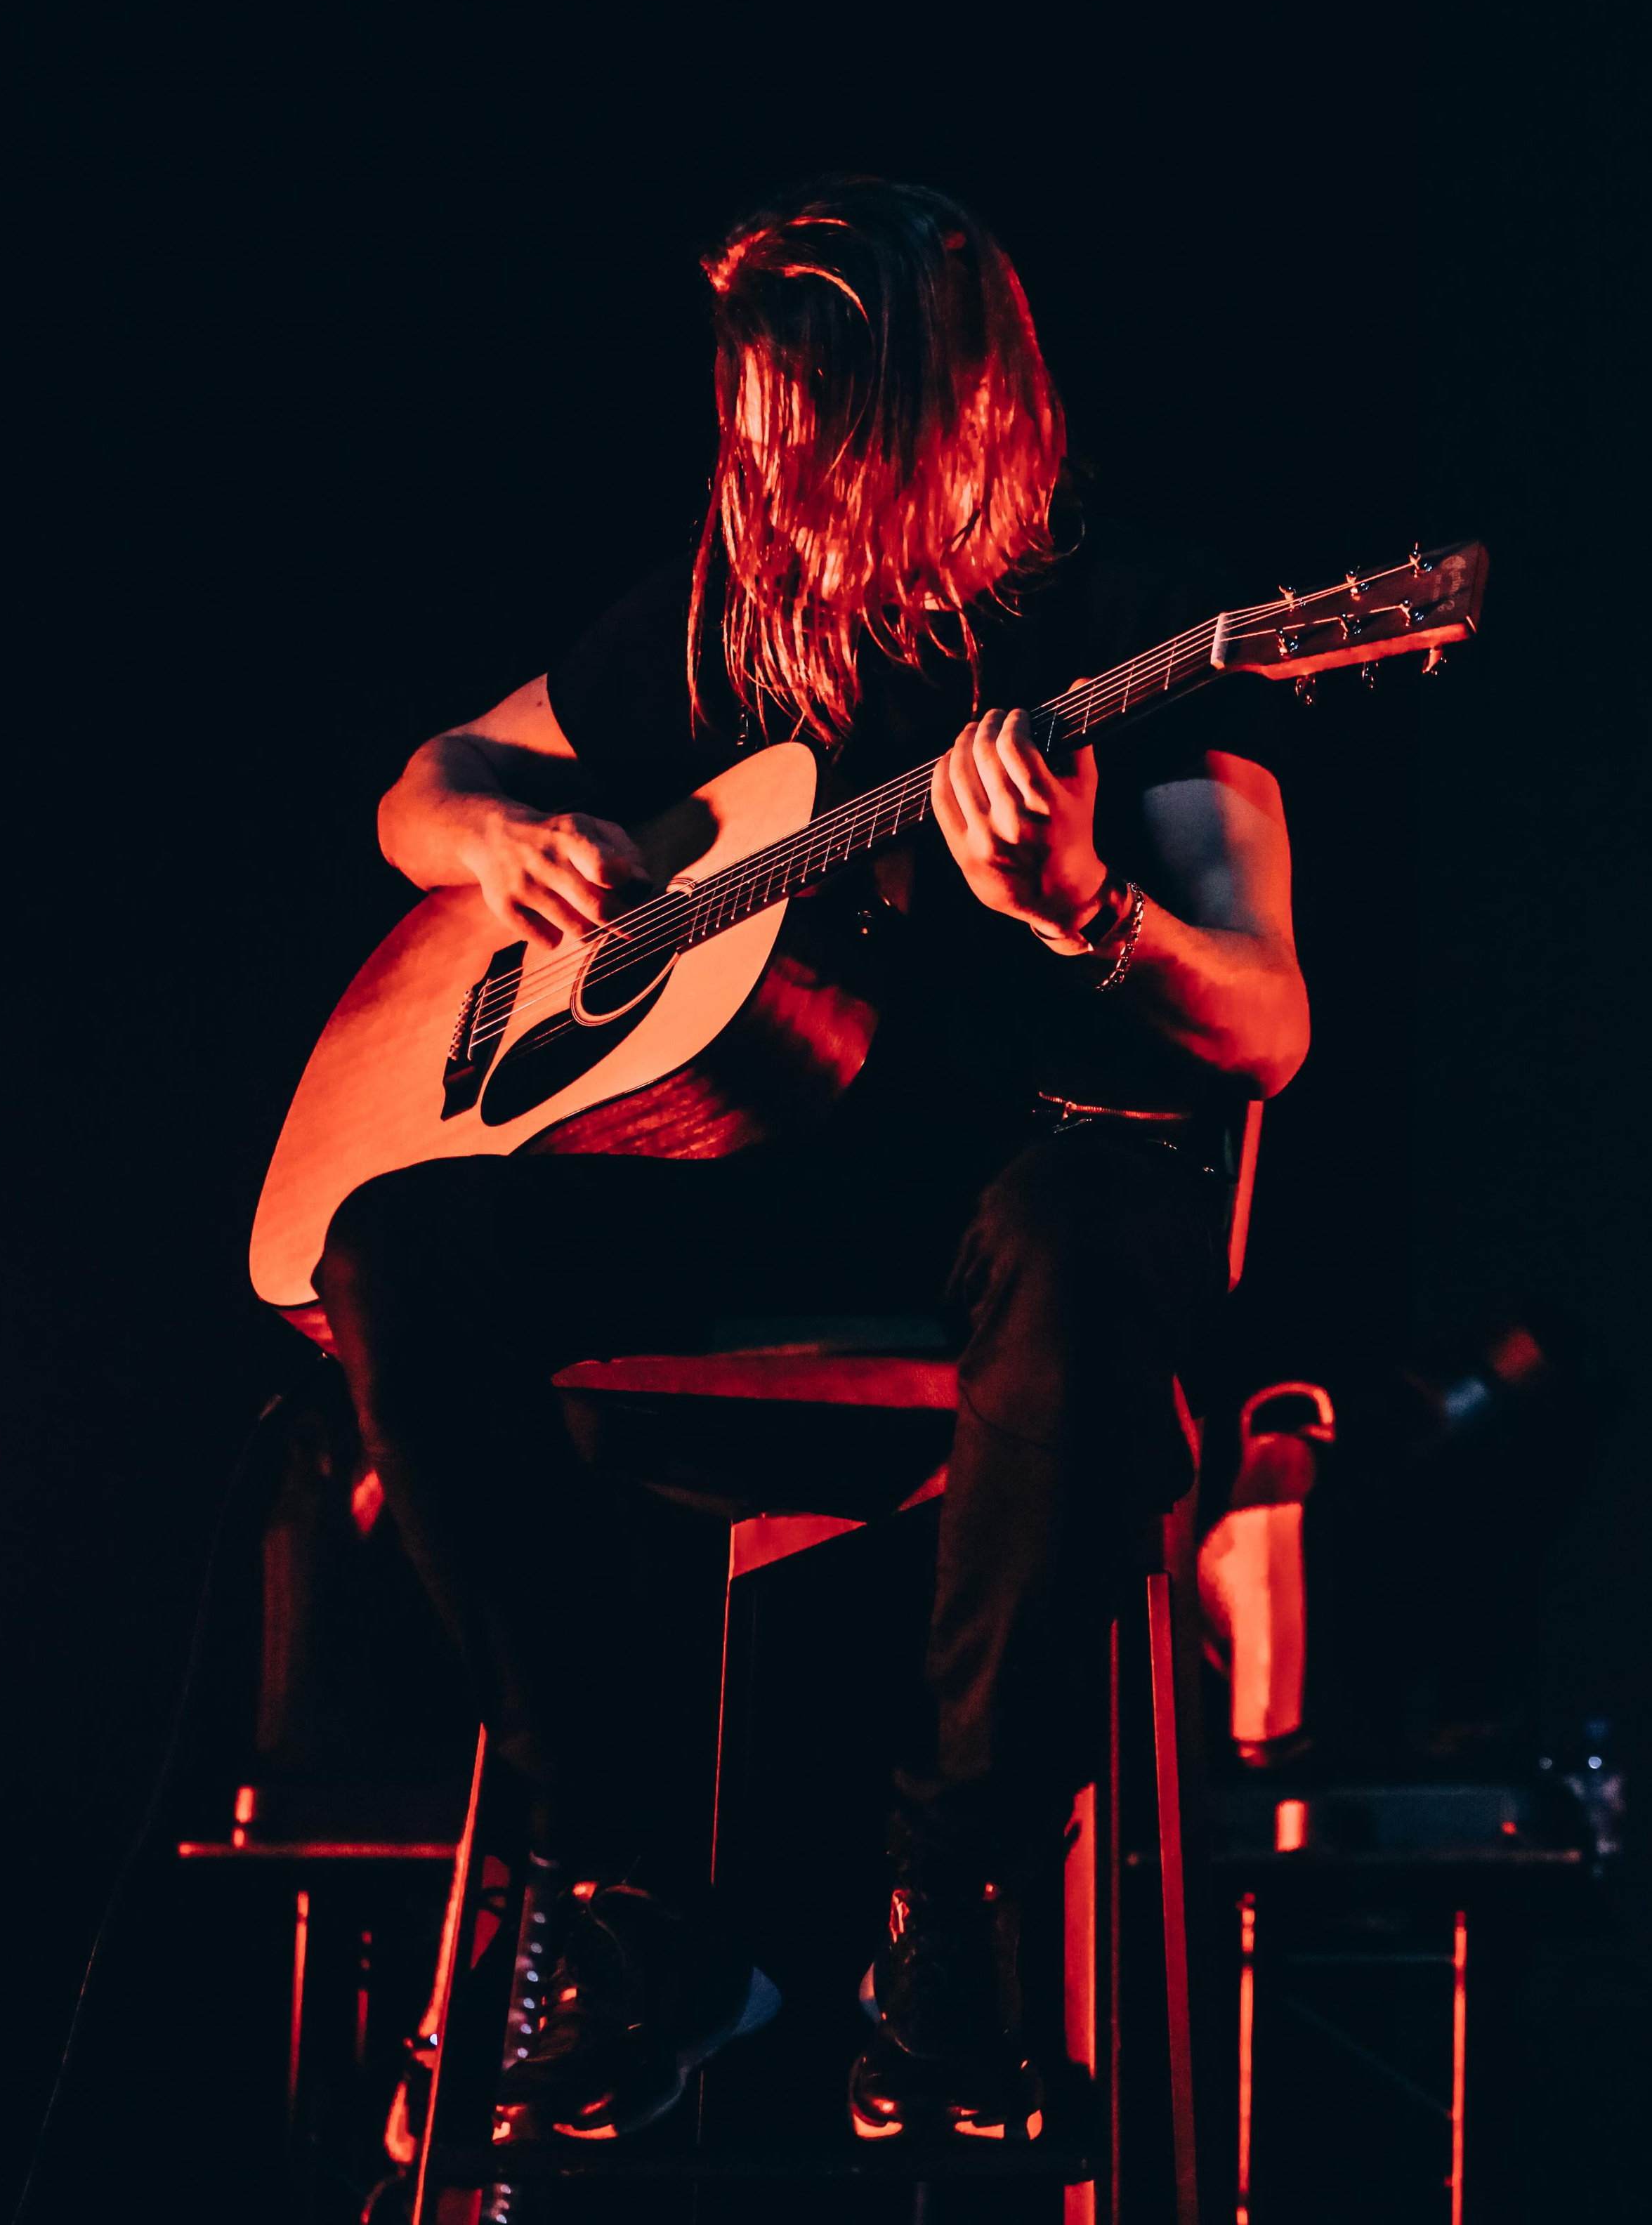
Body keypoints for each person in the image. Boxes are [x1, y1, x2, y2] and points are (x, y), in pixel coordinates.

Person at [315, 177, 1309, 2151]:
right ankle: (619, 1905)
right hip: (751, 1180)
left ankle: (955, 1922)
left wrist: (1089, 907)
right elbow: (422, 785)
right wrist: (505, 846)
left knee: (1106, 1221)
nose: (779, 486)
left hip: (1014, 1203)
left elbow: (1265, 1021)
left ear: (962, 417)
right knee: (396, 1241)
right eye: (755, 439)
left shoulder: (1138, 621)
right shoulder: (717, 620)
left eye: (820, 440)